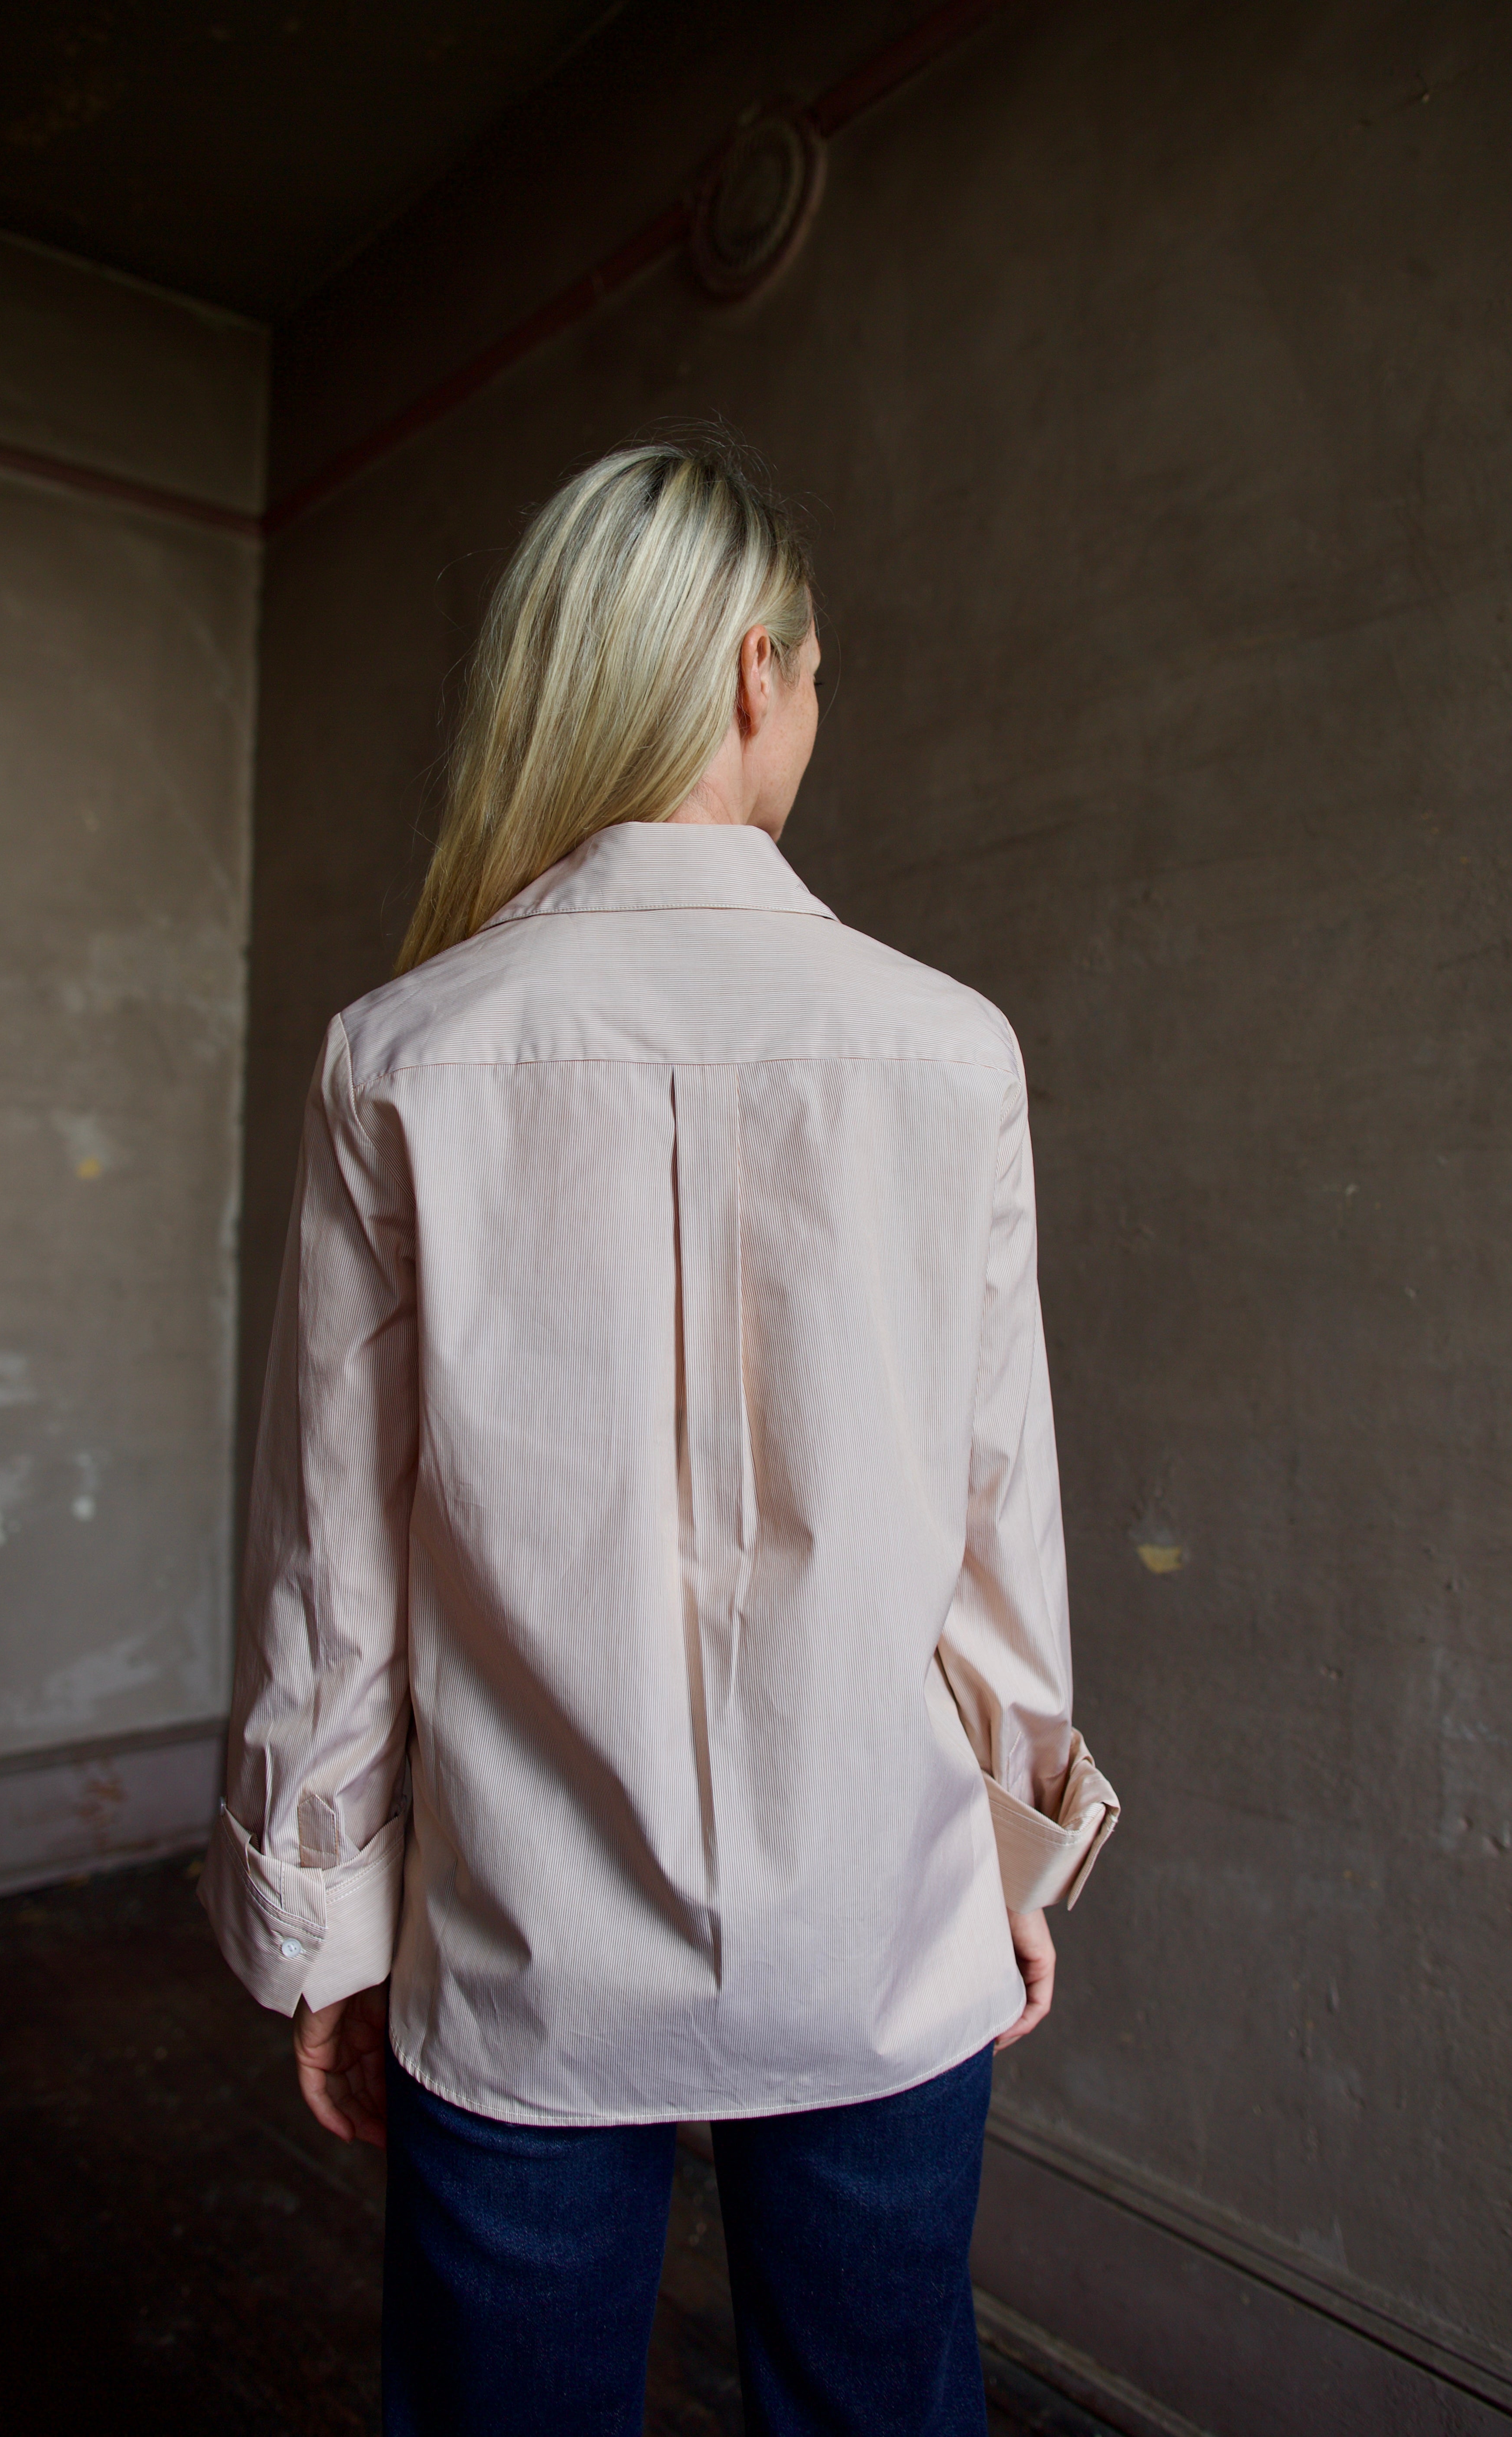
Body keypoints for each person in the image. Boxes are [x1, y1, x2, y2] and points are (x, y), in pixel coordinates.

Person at [201, 439, 1118, 2437]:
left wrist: (324, 1926)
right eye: (818, 675)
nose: (817, 713)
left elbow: (331, 1568)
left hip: (517, 1945)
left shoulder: (404, 1050)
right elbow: (997, 1517)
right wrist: (1022, 1856)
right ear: (747, 674)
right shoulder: (950, 1045)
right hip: (879, 1920)